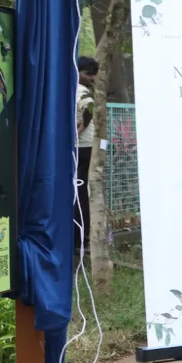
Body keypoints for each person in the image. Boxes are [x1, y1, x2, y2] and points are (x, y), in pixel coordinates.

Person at [74, 56, 98, 254]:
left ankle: (81, 238)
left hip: (80, 146)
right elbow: (89, 108)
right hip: (84, 146)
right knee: (82, 192)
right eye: (88, 74)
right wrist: (82, 127)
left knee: (79, 191)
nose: (91, 78)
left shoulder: (73, 89)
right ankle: (82, 239)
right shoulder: (82, 92)